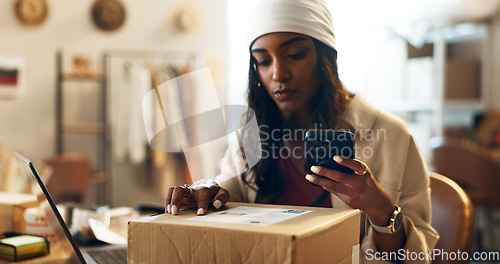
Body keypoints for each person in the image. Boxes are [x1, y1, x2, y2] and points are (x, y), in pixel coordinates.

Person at [165, 0, 439, 262]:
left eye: (294, 54)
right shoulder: (253, 133)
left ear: (326, 58)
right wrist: (205, 190)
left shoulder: (393, 138)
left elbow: (415, 256)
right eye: (263, 61)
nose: (278, 74)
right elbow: (229, 190)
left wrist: (383, 212)